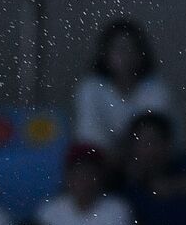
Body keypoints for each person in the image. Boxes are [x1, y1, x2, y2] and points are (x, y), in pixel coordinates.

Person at [74, 19, 174, 159]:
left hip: (145, 161)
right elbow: (90, 138)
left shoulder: (156, 89)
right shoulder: (90, 88)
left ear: (141, 54)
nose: (125, 56)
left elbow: (157, 137)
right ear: (105, 54)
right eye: (118, 49)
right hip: (101, 162)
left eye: (131, 49)